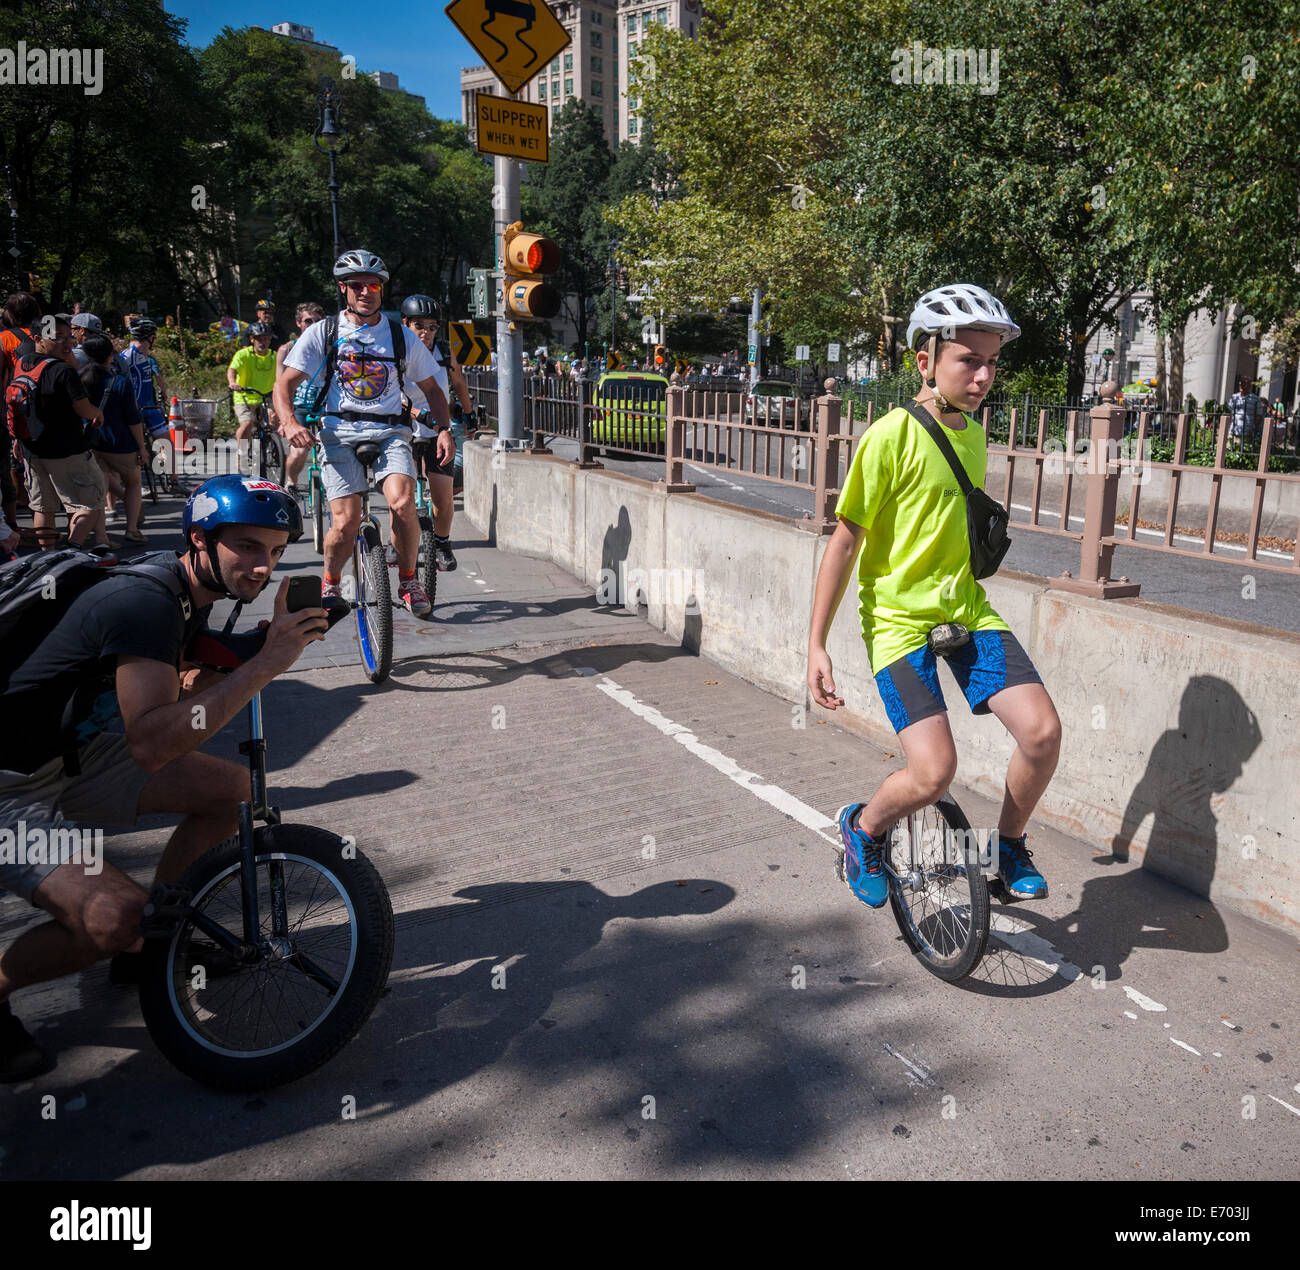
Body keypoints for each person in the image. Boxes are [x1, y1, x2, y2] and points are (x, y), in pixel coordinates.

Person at [0, 475, 328, 1080]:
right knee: (113, 917)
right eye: (248, 547)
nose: (263, 568)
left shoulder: (183, 593)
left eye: (277, 552)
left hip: (70, 755)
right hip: (7, 786)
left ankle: (152, 948)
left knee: (230, 792)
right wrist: (265, 665)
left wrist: (258, 651)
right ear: (200, 539)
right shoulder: (146, 601)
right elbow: (153, 744)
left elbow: (190, 701)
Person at [807, 282, 1061, 909]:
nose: (982, 376)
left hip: (965, 609)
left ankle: (1007, 844)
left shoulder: (972, 434)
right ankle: (862, 830)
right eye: (968, 361)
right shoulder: (888, 437)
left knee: (1042, 733)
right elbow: (842, 544)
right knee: (933, 772)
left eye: (992, 363)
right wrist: (815, 644)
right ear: (925, 362)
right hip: (897, 623)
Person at [274, 249, 449, 616]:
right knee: (346, 518)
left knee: (403, 503)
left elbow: (433, 390)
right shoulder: (325, 332)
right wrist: (290, 422)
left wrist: (444, 430)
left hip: (390, 433)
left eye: (373, 285)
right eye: (357, 286)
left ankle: (407, 580)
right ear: (344, 289)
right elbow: (285, 384)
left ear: (382, 290)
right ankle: (332, 581)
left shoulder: (401, 337)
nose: (366, 292)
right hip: (338, 432)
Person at [11, 316, 110, 550]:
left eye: (69, 337)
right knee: (91, 502)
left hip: (32, 450)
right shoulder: (62, 370)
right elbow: (84, 410)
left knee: (43, 507)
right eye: (57, 338)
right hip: (68, 450)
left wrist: (16, 438)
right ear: (38, 339)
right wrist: (97, 413)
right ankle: (71, 550)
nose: (67, 345)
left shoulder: (22, 364)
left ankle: (48, 557)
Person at [398, 295, 463, 571]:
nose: (426, 332)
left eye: (432, 327)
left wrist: (468, 414)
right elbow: (391, 396)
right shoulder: (395, 351)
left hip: (437, 431)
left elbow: (456, 383)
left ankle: (442, 542)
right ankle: (395, 545)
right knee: (401, 497)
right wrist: (416, 414)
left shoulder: (443, 352)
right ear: (406, 324)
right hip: (403, 430)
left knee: (443, 498)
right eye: (419, 325)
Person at [83, 333, 150, 544]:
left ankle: (102, 537)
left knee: (100, 492)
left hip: (92, 443)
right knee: (133, 483)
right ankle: (132, 529)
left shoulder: (80, 378)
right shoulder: (120, 382)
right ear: (111, 355)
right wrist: (142, 447)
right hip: (120, 443)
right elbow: (133, 419)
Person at [275, 301, 326, 494]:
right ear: (298, 323)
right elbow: (280, 386)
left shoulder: (329, 346)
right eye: (307, 321)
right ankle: (291, 482)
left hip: (325, 406)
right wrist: (284, 420)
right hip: (300, 406)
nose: (312, 325)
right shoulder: (286, 349)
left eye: (317, 321)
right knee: (299, 452)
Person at [227, 321, 279, 475]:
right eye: (259, 339)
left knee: (273, 420)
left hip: (265, 396)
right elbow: (232, 370)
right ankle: (242, 454)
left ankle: (273, 447)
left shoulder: (275, 356)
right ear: (252, 340)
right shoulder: (243, 354)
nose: (262, 342)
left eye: (266, 338)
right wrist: (232, 382)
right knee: (247, 423)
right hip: (244, 396)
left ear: (270, 340)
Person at [121, 318, 171, 440]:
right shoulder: (127, 356)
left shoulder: (146, 356)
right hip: (135, 409)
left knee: (167, 445)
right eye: (153, 336)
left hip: (150, 406)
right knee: (139, 450)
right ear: (149, 337)